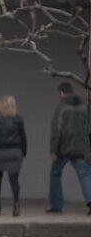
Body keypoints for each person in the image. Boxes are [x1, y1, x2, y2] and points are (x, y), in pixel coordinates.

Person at [46, 81, 91, 214]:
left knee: (55, 174)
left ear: (61, 92)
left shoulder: (61, 107)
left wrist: (53, 149)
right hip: (82, 148)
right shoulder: (84, 106)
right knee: (85, 175)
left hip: (63, 149)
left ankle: (56, 206)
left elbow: (56, 130)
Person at [0, 95, 26, 216]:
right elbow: (23, 137)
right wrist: (23, 151)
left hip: (0, 153)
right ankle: (16, 204)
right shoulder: (19, 119)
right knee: (14, 181)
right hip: (15, 153)